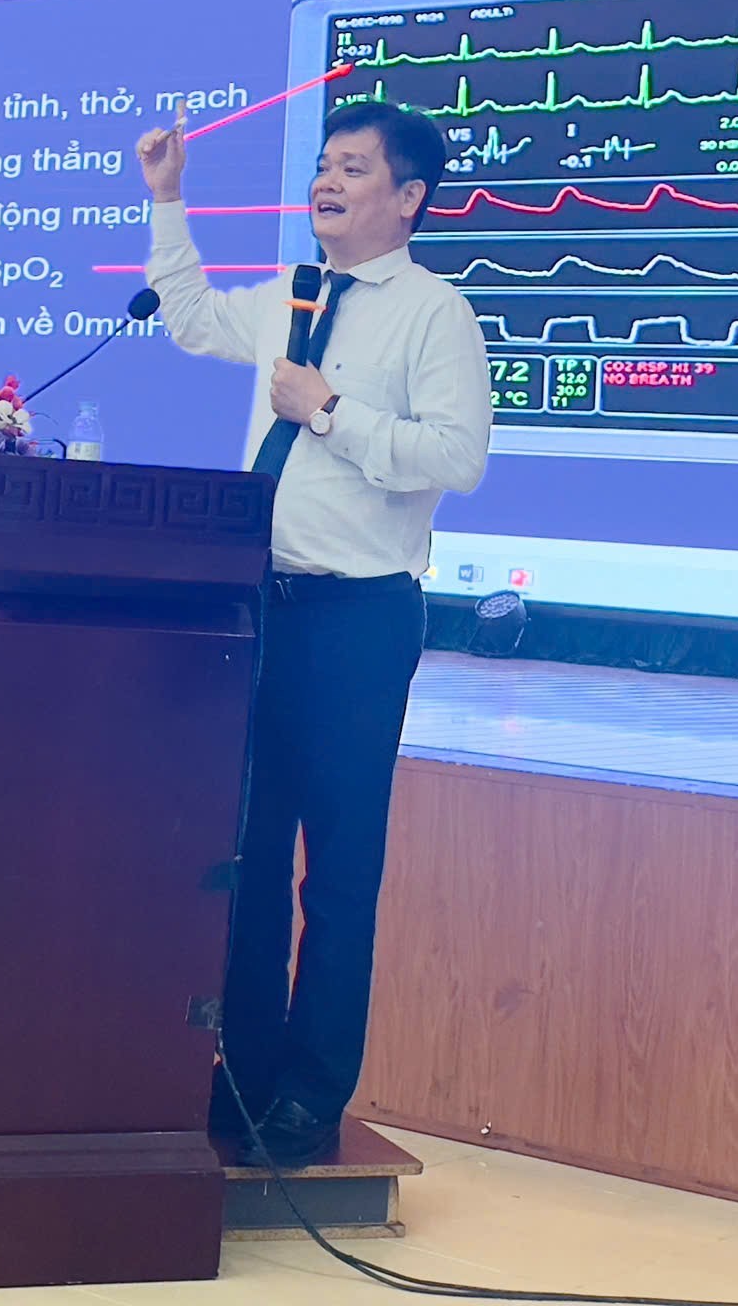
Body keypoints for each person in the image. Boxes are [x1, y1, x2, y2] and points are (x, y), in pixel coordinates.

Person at [136, 97, 493, 1168]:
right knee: (242, 858)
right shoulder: (292, 292)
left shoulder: (435, 313)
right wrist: (167, 199)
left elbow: (457, 458)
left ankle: (309, 1094)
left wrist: (329, 412)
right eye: (324, 164)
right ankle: (240, 1077)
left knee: (334, 874)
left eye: (353, 167)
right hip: (258, 609)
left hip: (356, 621)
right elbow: (190, 317)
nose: (326, 182)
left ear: (409, 197)